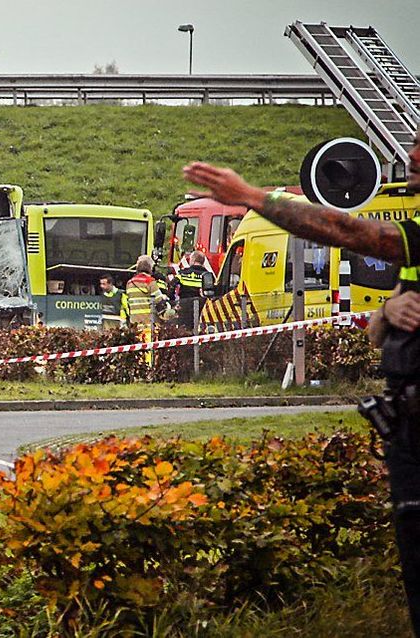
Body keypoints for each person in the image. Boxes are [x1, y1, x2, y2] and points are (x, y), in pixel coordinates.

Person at [183, 127, 420, 634]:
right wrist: (389, 311)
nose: (413, 154)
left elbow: (353, 234)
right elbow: (378, 329)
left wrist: (250, 197)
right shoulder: (415, 241)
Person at [125, 255, 171, 327]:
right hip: (148, 324)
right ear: (150, 268)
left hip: (134, 324)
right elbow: (159, 301)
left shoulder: (129, 283)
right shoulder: (150, 282)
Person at [176, 251, 210, 329]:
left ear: (193, 260)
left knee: (184, 331)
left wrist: (172, 302)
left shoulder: (183, 273)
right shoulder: (207, 275)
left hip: (184, 309)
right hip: (202, 310)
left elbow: (172, 285)